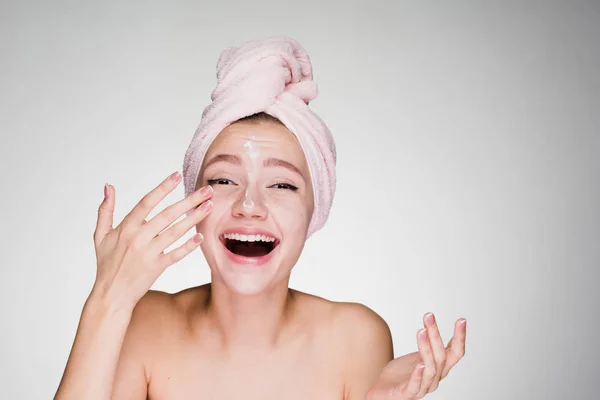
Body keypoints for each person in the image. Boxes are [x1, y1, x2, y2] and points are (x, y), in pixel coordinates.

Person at [55, 37, 466, 400]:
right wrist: (108, 298)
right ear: (195, 205)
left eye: (282, 185)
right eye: (223, 179)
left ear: (315, 211)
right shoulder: (142, 323)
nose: (249, 205)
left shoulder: (356, 338)